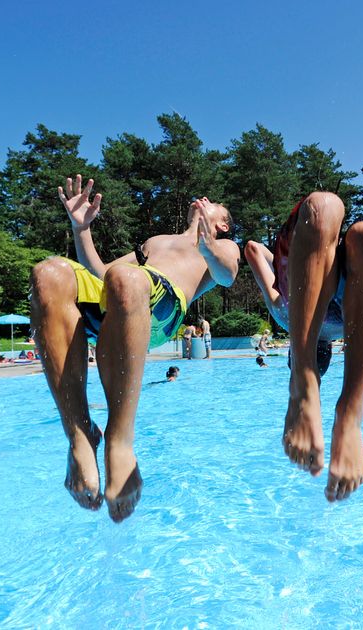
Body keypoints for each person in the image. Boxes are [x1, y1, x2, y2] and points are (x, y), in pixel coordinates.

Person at [31, 175, 239, 522]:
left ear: (222, 224)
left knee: (128, 279)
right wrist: (81, 229)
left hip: (161, 308)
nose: (201, 197)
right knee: (48, 273)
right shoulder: (156, 240)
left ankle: (120, 439)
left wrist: (207, 246)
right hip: (119, 301)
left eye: (212, 202)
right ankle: (80, 433)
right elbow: (101, 274)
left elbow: (227, 275)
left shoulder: (223, 246)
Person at [243, 191, 363, 502]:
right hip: (340, 278)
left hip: (305, 274)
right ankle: (346, 411)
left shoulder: (288, 317)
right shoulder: (287, 317)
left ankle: (308, 383)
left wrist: (294, 254)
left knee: (326, 209)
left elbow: (254, 249)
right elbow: (254, 251)